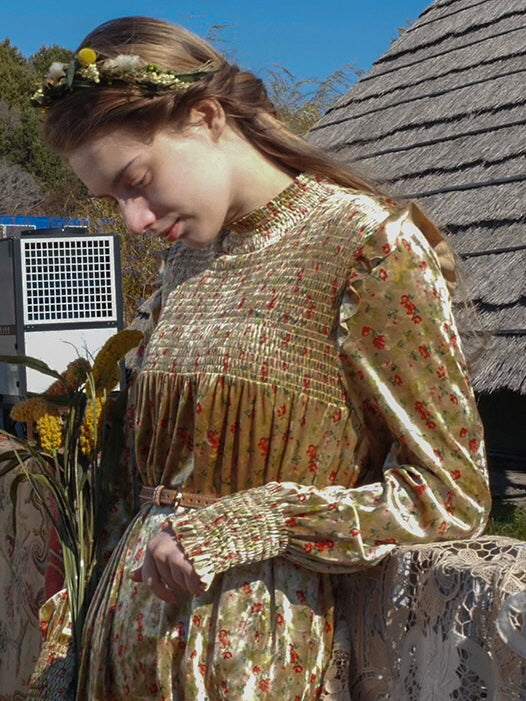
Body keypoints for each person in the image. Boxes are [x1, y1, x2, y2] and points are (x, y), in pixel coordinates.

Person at [30, 15, 490, 700]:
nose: (133, 219)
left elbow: (453, 496)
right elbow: (132, 487)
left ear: (206, 115)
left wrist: (257, 519)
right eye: (112, 199)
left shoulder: (366, 246)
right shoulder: (181, 262)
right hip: (118, 656)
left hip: (246, 665)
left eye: (138, 178)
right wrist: (70, 645)